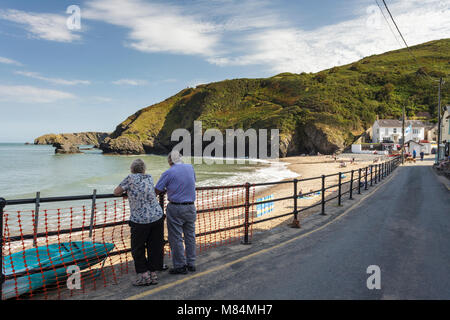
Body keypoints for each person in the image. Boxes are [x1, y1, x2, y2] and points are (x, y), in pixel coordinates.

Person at [114, 159, 165, 286]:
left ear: (132, 169)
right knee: (154, 247)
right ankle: (153, 275)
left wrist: (127, 192)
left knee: (138, 248)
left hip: (140, 220)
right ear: (143, 169)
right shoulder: (149, 177)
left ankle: (143, 276)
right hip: (156, 216)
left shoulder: (130, 178)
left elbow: (116, 192)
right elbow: (147, 192)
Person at [155, 150, 197, 275]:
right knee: (190, 236)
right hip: (190, 206)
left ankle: (180, 265)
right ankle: (191, 263)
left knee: (176, 238)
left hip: (176, 207)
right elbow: (192, 181)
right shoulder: (190, 168)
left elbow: (157, 190)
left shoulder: (168, 172)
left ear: (170, 161)